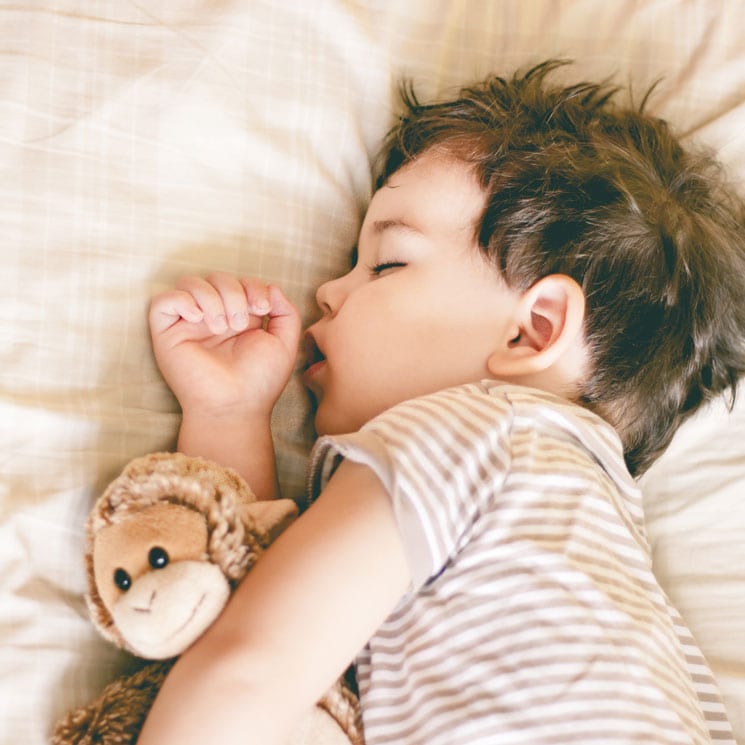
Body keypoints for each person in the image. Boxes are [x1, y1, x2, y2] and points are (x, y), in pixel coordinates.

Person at [139, 61, 745, 744]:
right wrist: (230, 414)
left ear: (531, 330)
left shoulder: (475, 430)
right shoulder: (590, 550)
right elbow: (279, 640)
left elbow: (249, 667)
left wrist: (227, 416)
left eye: (386, 263)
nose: (330, 292)